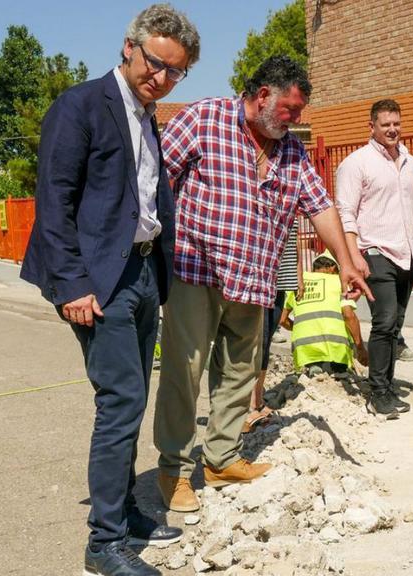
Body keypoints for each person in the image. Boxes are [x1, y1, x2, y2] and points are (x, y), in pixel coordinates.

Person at [19, 4, 198, 576]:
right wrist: (71, 284)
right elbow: (55, 201)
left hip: (144, 272)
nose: (162, 79)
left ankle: (125, 515)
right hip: (99, 281)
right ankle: (104, 544)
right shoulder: (79, 107)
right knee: (119, 400)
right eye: (157, 64)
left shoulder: (146, 116)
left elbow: (143, 199)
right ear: (130, 47)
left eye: (176, 73)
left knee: (133, 395)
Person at [154, 55, 372, 514]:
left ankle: (220, 459)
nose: (295, 120)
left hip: (254, 277)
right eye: (291, 110)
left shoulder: (291, 150)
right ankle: (172, 471)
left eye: (299, 112)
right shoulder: (204, 118)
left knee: (238, 372)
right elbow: (154, 179)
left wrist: (349, 261)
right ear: (261, 96)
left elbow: (321, 206)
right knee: (185, 372)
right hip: (196, 270)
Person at [336, 99, 413, 417]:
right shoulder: (357, 163)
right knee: (385, 321)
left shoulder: (410, 162)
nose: (392, 129)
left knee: (395, 325)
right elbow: (345, 214)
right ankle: (377, 393)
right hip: (375, 252)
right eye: (385, 124)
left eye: (396, 123)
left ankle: (387, 386)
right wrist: (354, 258)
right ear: (372, 127)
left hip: (408, 256)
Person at [244, 221, 301, 433]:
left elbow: (293, 246)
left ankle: (256, 400)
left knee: (265, 341)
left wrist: (299, 278)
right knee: (256, 341)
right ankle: (249, 405)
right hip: (259, 282)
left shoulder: (292, 204)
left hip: (280, 285)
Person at [280, 253, 368, 376]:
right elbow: (349, 316)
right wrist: (361, 348)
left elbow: (282, 320)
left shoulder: (298, 282)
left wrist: (303, 328)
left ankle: (314, 367)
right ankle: (339, 371)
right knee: (340, 374)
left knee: (315, 370)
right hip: (336, 346)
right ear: (333, 268)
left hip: (304, 348)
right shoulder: (338, 282)